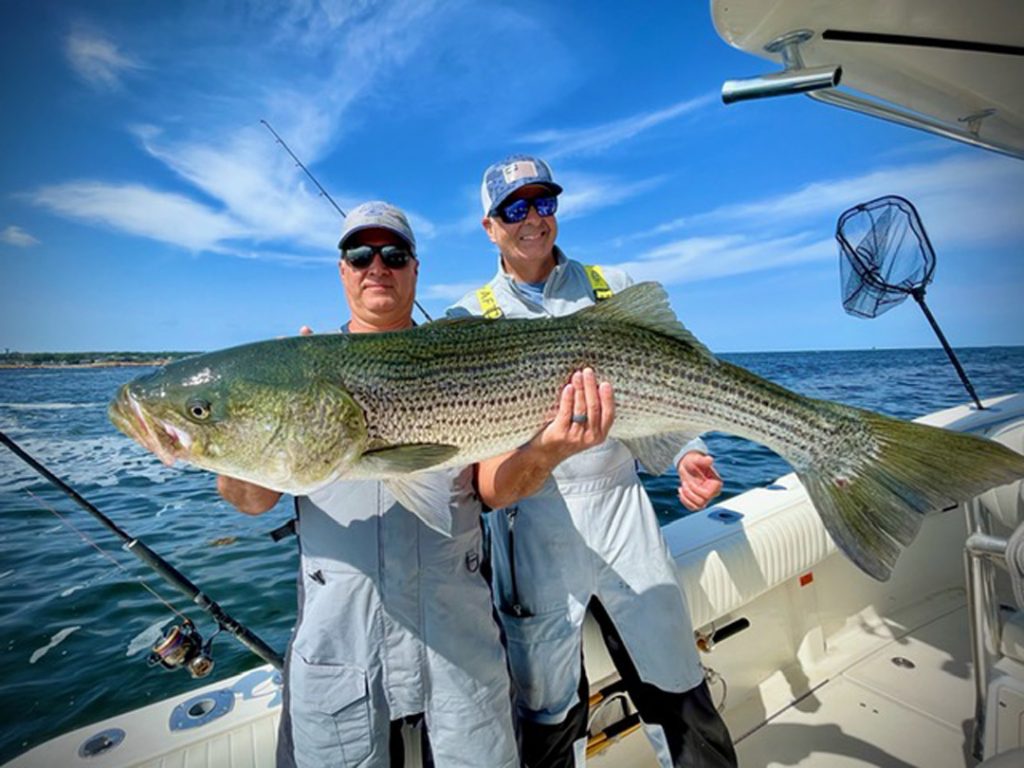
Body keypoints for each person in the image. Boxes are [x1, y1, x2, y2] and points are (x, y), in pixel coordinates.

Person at [447, 156, 738, 767]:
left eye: (543, 202)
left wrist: (687, 451)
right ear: (489, 225)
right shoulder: (464, 321)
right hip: (533, 529)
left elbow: (676, 384)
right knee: (548, 710)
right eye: (514, 209)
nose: (532, 220)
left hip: (623, 511)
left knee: (678, 684)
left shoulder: (614, 285)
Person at [218, 201, 518, 768]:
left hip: (459, 653)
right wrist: (255, 427)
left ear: (414, 269)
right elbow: (251, 500)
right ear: (341, 270)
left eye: (394, 254)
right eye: (360, 254)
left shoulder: (469, 359)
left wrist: (550, 447)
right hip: (341, 662)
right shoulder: (299, 372)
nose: (376, 266)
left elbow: (497, 489)